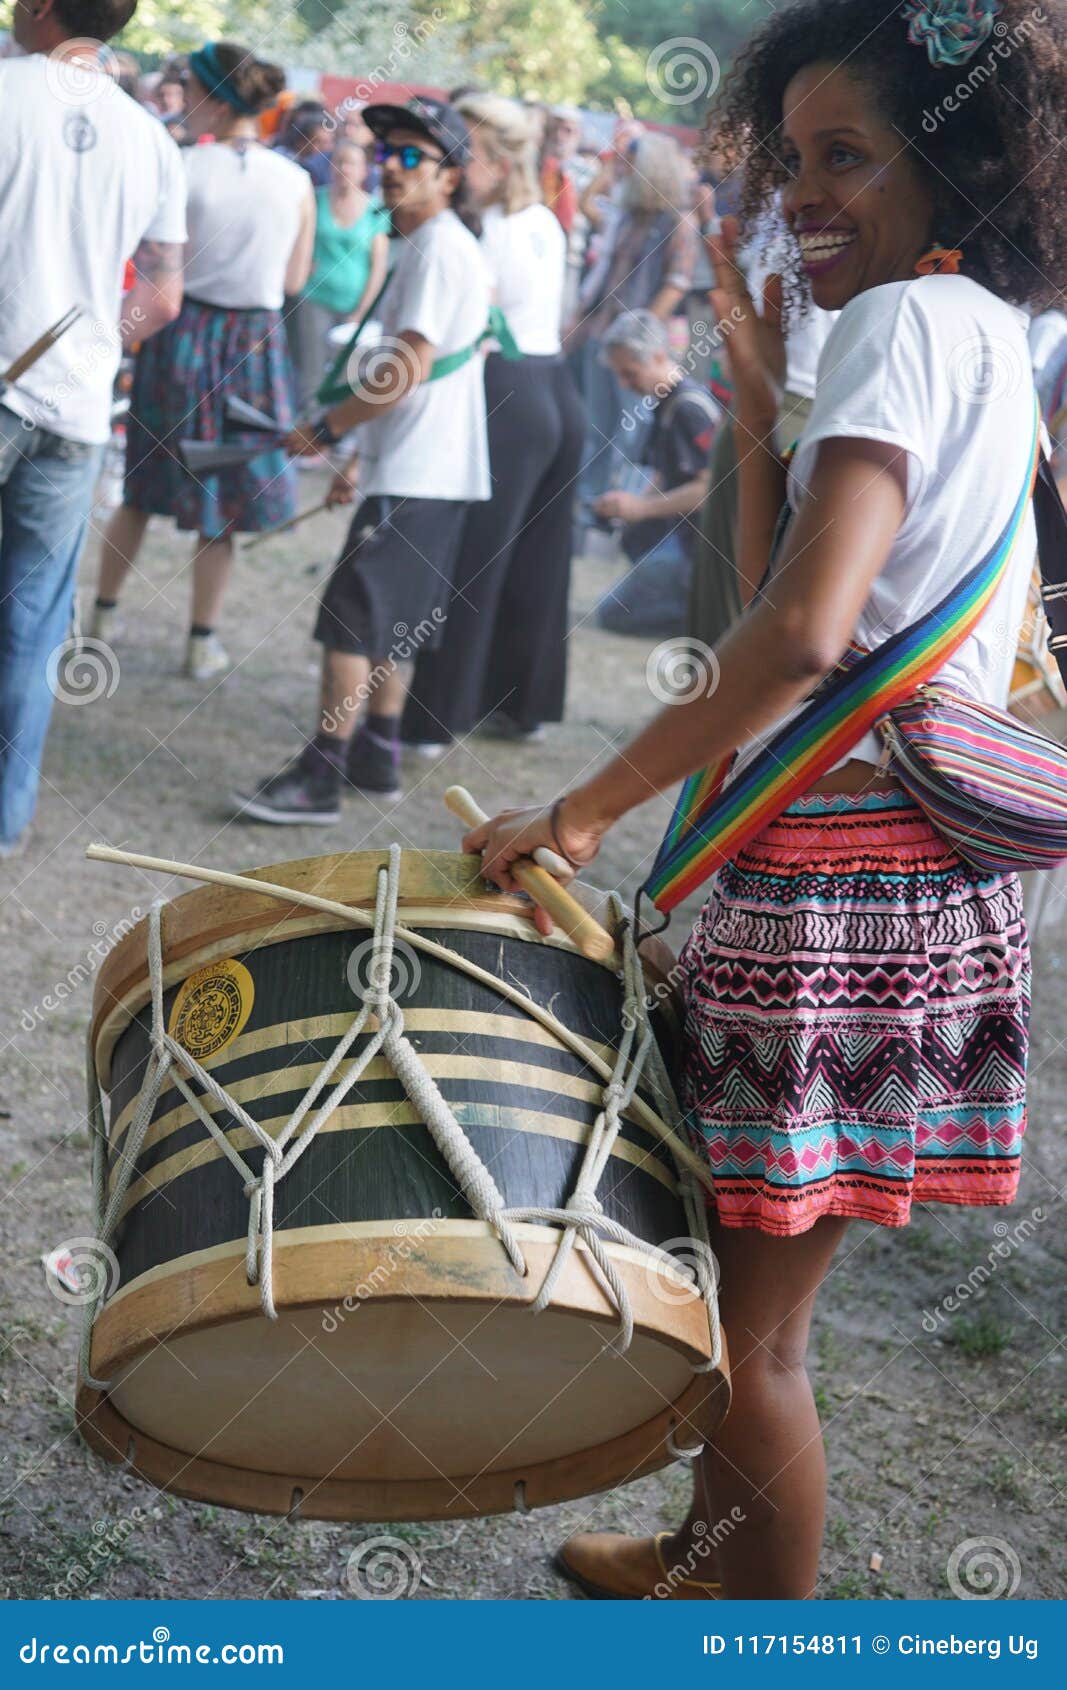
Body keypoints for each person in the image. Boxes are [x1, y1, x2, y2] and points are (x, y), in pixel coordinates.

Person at [466, 0, 1067, 1599]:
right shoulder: (973, 332)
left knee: (743, 1342)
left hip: (830, 890)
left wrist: (582, 812)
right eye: (789, 156)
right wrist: (753, 408)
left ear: (946, 169)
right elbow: (787, 595)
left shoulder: (895, 330)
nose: (801, 190)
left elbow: (798, 636)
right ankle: (698, 1557)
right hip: (906, 891)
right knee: (746, 1313)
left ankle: (753, 1627)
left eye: (844, 157)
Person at [232, 98, 490, 823]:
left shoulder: (437, 247)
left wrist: (329, 426)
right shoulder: (431, 243)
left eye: (412, 157)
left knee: (351, 618)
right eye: (386, 154)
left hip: (419, 468)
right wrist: (358, 457)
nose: (391, 168)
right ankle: (375, 754)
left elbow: (407, 366)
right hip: (419, 467)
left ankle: (321, 773)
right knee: (391, 621)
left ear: (450, 176)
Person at [0, 0, 186, 859]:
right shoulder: (150, 135)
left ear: (41, 6)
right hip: (75, 408)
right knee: (34, 620)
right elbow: (163, 296)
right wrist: (90, 351)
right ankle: (3, 820)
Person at [91, 42, 314, 682]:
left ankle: (104, 612)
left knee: (141, 484)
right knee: (226, 502)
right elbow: (295, 276)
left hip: (182, 334)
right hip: (252, 342)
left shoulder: (183, 165)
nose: (182, 97)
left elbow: (151, 257)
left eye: (190, 87)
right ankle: (200, 640)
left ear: (214, 99)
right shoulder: (296, 180)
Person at [399, 93, 585, 755]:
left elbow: (466, 323)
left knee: (469, 558)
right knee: (538, 560)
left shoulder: (484, 229)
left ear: (499, 162)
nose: (455, 159)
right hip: (553, 388)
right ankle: (522, 704)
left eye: (467, 149)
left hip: (507, 386)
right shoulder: (544, 222)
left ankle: (431, 716)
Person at [567, 130, 697, 516]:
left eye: (628, 163)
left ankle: (625, 510)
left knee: (632, 433)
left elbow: (677, 283)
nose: (621, 170)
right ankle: (590, 508)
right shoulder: (626, 214)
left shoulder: (676, 220)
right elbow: (589, 209)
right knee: (598, 426)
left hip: (638, 348)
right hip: (601, 337)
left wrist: (640, 337)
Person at [591, 310, 719, 638]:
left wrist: (641, 508)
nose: (624, 385)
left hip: (705, 551)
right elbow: (668, 474)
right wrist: (631, 505)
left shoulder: (687, 409)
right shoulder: (666, 403)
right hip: (684, 538)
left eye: (630, 374)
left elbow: (709, 489)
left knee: (613, 615)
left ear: (659, 357)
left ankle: (701, 614)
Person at [285, 138, 389, 410]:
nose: (344, 169)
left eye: (352, 163)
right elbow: (297, 240)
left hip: (354, 302)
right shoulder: (316, 199)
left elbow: (378, 265)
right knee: (312, 366)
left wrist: (363, 309)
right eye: (339, 162)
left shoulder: (375, 208)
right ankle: (308, 428)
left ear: (365, 170)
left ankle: (338, 432)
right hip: (315, 297)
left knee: (349, 371)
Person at [274, 99, 333, 188]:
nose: (327, 148)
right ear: (301, 142)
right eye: (319, 142)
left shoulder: (332, 168)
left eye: (329, 142)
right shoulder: (279, 160)